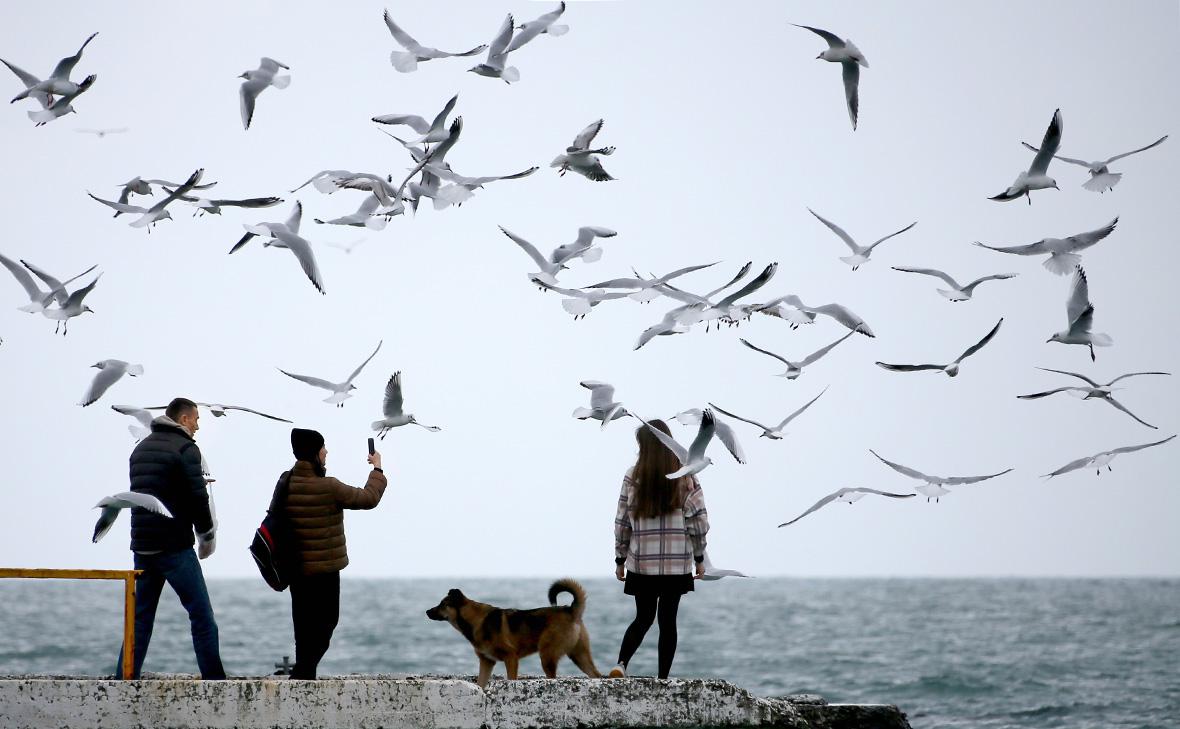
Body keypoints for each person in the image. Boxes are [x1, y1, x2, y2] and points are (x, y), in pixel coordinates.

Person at [115, 397, 225, 680]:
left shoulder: (139, 450)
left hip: (143, 547)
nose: (198, 426)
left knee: (139, 620)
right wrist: (207, 535)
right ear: (184, 419)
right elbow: (198, 499)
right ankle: (216, 683)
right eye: (197, 420)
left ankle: (124, 680)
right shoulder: (187, 449)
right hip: (174, 546)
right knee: (202, 617)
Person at [282, 428, 387, 680]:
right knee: (327, 623)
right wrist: (377, 470)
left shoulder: (285, 481)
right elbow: (368, 498)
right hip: (325, 571)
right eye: (323, 448)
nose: (326, 452)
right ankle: (303, 672)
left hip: (296, 569)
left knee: (303, 628)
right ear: (314, 453)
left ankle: (304, 674)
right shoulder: (328, 486)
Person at [610, 419, 709, 679]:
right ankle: (663, 679)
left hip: (642, 562)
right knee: (668, 622)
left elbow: (622, 522)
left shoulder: (633, 476)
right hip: (676, 565)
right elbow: (698, 521)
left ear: (642, 445)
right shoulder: (687, 475)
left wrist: (620, 558)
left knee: (643, 618)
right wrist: (700, 557)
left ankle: (621, 664)